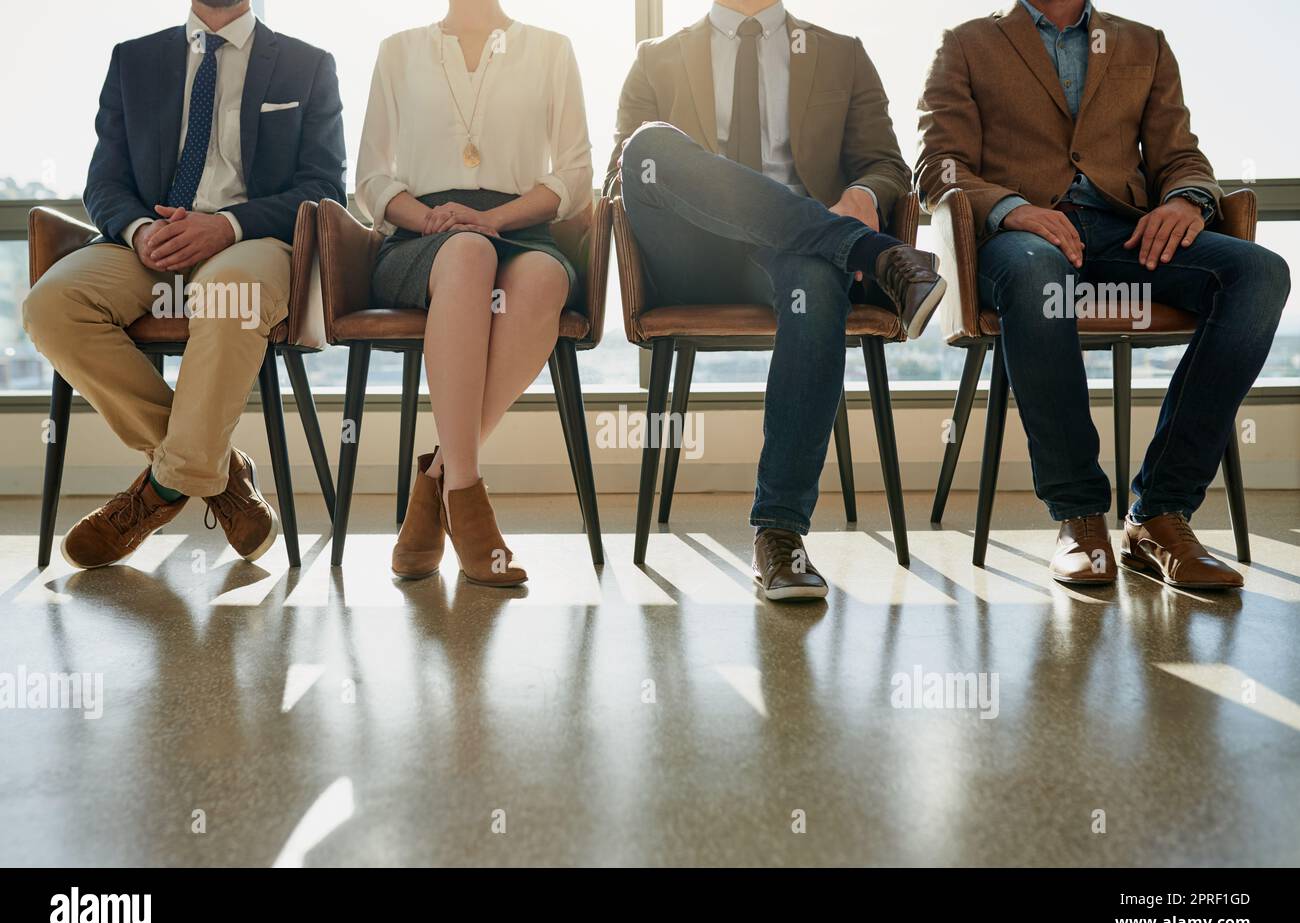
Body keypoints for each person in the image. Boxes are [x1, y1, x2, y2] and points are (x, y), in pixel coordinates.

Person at [917, 0, 1289, 589]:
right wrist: (1015, 211)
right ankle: (1079, 517)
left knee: (1260, 274)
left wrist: (1185, 199)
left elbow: (1181, 156)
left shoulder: (1146, 43)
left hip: (1123, 232)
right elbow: (938, 167)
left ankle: (1160, 515)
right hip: (1020, 241)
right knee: (1041, 277)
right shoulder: (967, 43)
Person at [606, 0, 944, 602]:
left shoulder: (841, 53)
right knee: (647, 147)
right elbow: (624, 177)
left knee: (815, 289)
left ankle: (780, 536)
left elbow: (886, 166)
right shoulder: (656, 58)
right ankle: (869, 253)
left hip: (797, 256)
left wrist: (865, 192)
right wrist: (855, 236)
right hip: (695, 256)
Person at [22, 0, 347, 569]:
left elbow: (322, 188)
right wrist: (139, 229)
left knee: (229, 296)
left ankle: (160, 491)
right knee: (51, 305)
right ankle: (216, 470)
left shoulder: (308, 64)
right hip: (150, 242)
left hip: (251, 242)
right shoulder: (134, 59)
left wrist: (228, 226)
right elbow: (103, 181)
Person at [357, 0, 593, 587]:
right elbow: (370, 177)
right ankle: (467, 496)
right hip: (421, 234)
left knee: (541, 278)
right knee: (468, 253)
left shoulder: (551, 47)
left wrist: (497, 220)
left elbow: (575, 175)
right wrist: (435, 220)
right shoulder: (398, 49)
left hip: (520, 227)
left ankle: (438, 478)